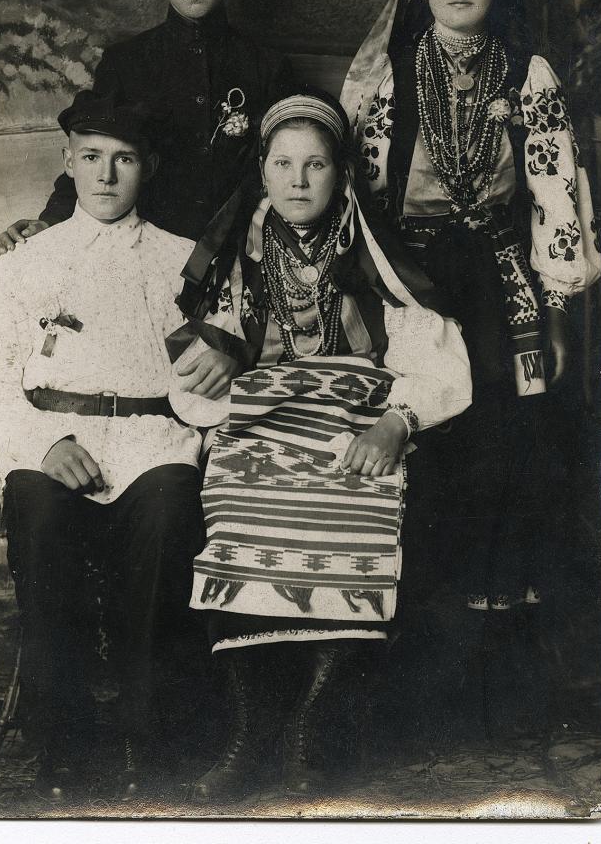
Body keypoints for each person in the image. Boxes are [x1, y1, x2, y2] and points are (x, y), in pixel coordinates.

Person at [340, 0, 601, 738]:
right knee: (426, 427)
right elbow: (360, 200)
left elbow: (555, 197)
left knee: (520, 417)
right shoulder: (386, 75)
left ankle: (517, 675)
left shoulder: (527, 77)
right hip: (408, 275)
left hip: (497, 272)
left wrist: (558, 312)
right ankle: (420, 671)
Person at [164, 90, 472, 800]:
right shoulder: (233, 256)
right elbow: (191, 385)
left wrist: (398, 422)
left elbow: (439, 362)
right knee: (234, 493)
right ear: (262, 172)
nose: (298, 180)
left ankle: (313, 728)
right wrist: (218, 360)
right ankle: (251, 735)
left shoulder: (373, 252)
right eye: (283, 163)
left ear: (340, 174)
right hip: (264, 420)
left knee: (357, 493)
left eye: (315, 165)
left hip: (356, 417)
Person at [0, 91, 206, 803]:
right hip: (53, 442)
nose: (105, 176)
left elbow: (198, 385)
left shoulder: (180, 261)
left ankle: (146, 732)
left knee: (167, 509)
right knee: (39, 514)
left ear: (147, 168)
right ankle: (64, 740)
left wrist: (208, 383)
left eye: (123, 160)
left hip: (149, 440)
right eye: (91, 158)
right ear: (68, 161)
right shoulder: (27, 261)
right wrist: (45, 441)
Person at [0, 0, 293, 248]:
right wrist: (49, 222)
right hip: (142, 247)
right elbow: (92, 152)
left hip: (241, 248)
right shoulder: (126, 62)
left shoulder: (267, 66)